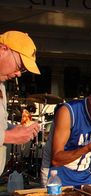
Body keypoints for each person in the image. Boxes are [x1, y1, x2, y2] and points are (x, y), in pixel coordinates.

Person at [0, 30, 41, 175]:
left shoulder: (1, 84)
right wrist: (10, 136)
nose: (18, 73)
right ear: (3, 49)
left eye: (22, 70)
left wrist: (19, 129)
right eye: (20, 66)